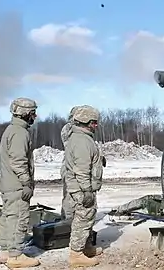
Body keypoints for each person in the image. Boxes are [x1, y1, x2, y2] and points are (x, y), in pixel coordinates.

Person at [0, 98, 40, 268]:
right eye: (32, 113)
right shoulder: (19, 133)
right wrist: (27, 183)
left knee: (9, 217)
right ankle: (15, 256)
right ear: (24, 113)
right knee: (18, 219)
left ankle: (7, 251)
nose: (35, 116)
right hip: (17, 186)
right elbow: (18, 161)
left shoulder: (12, 130)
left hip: (9, 185)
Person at [64, 105, 104, 267]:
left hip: (82, 187)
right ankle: (76, 254)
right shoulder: (81, 141)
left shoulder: (82, 138)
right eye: (94, 123)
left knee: (88, 217)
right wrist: (86, 191)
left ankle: (85, 247)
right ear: (85, 122)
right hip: (82, 189)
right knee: (83, 218)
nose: (96, 126)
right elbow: (81, 170)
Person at [60, 106, 80, 220]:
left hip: (76, 166)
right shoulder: (69, 128)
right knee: (69, 197)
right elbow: (71, 147)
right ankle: (67, 223)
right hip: (69, 167)